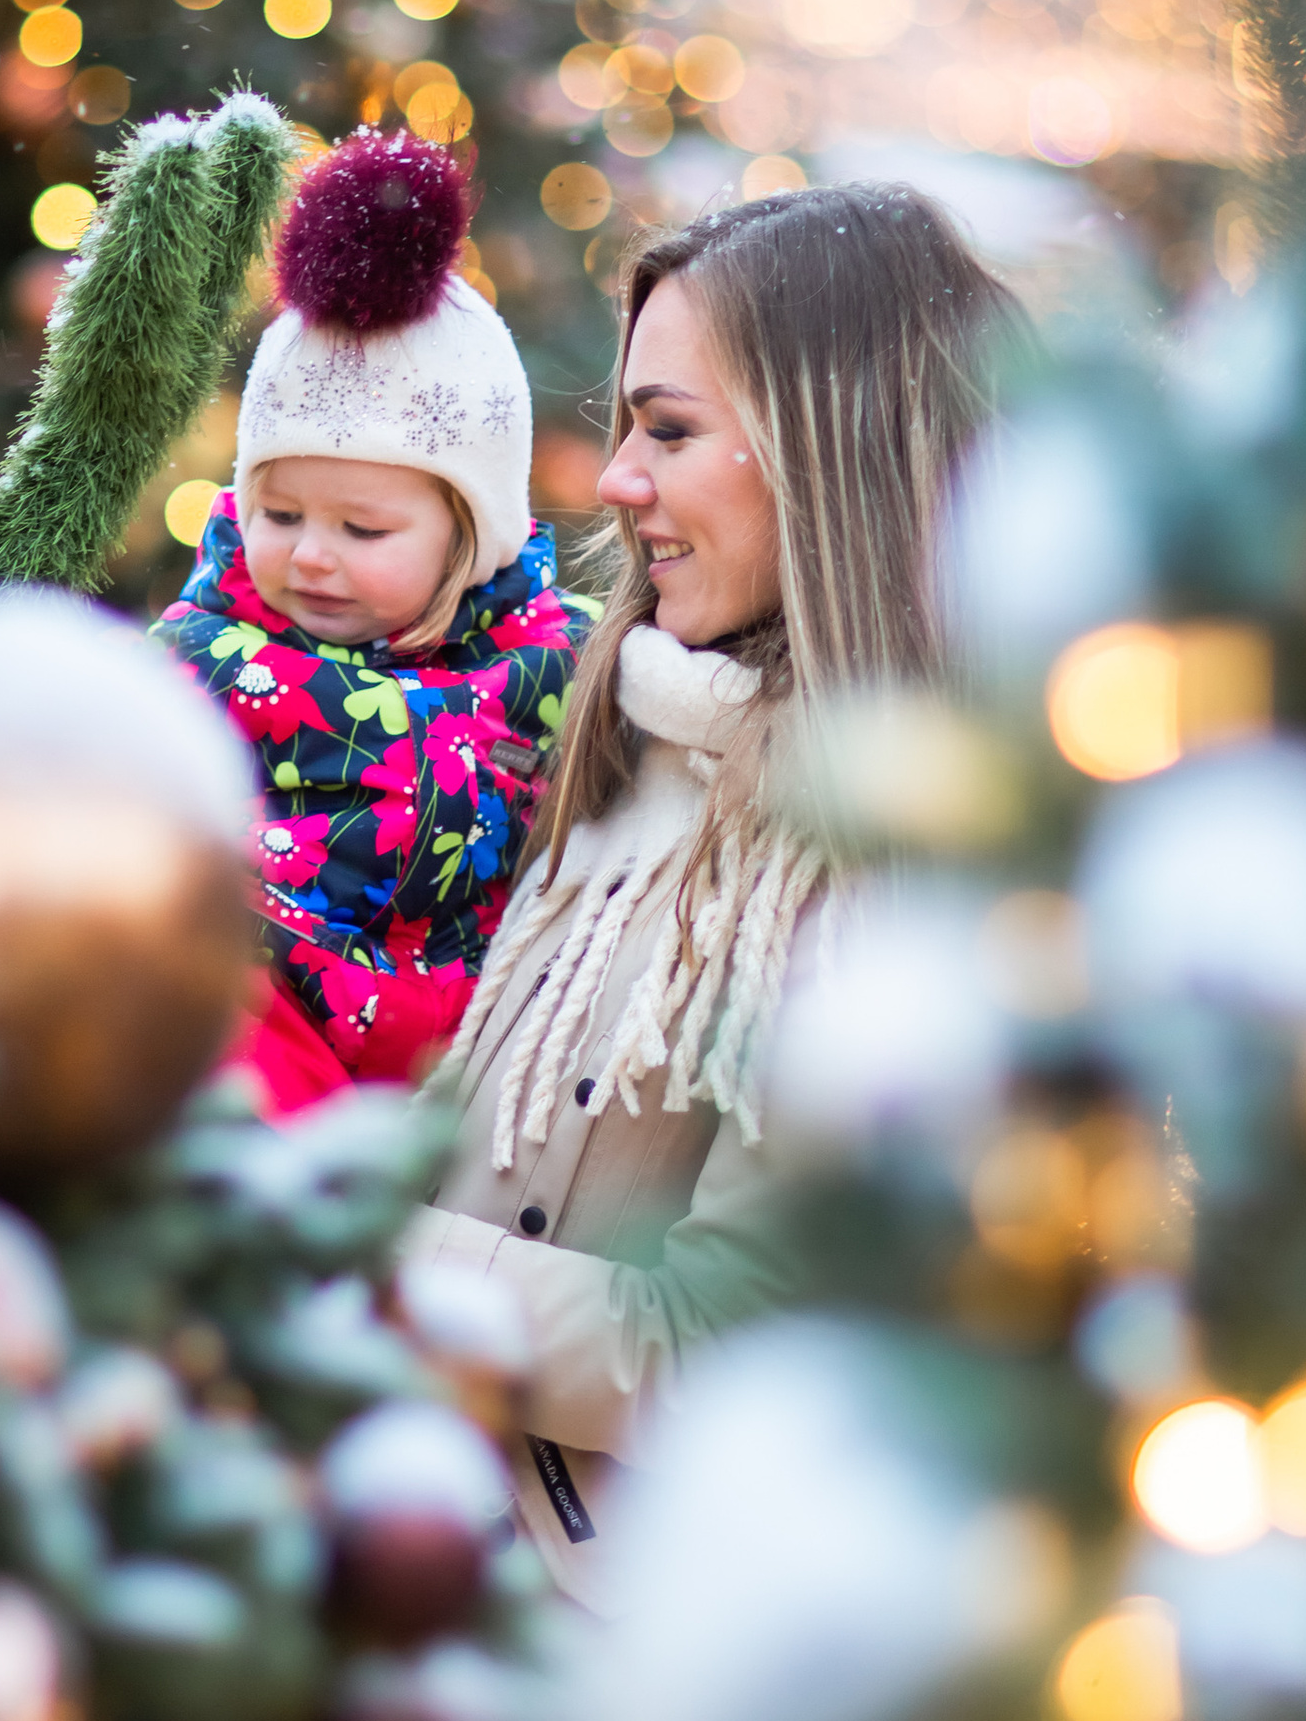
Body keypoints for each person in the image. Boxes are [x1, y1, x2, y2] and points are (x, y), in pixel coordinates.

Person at [397, 182, 1026, 1610]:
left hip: (619, 1653)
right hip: (420, 1546)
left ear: (831, 452)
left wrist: (375, 1249)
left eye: (669, 431)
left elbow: (727, 1354)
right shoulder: (636, 737)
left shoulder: (900, 866)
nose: (617, 478)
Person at [158, 130, 591, 1110]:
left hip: (460, 1059)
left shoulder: (550, 660)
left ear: (465, 535)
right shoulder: (204, 656)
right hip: (263, 1019)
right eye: (279, 514)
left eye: (361, 526)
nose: (310, 553)